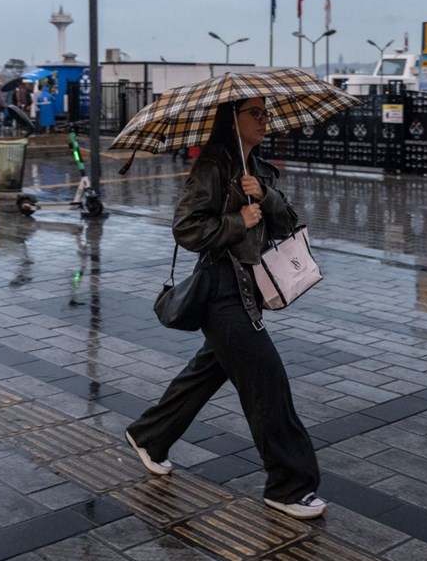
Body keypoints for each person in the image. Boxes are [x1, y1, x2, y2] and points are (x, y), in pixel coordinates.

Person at [125, 97, 326, 521]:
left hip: (248, 287)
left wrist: (265, 197)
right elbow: (186, 227)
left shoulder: (259, 168)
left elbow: (289, 223)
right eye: (256, 113)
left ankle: (149, 435)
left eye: (267, 113)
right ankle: (288, 486)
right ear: (231, 120)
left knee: (208, 371)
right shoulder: (213, 165)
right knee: (267, 382)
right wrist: (240, 221)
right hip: (221, 289)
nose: (265, 120)